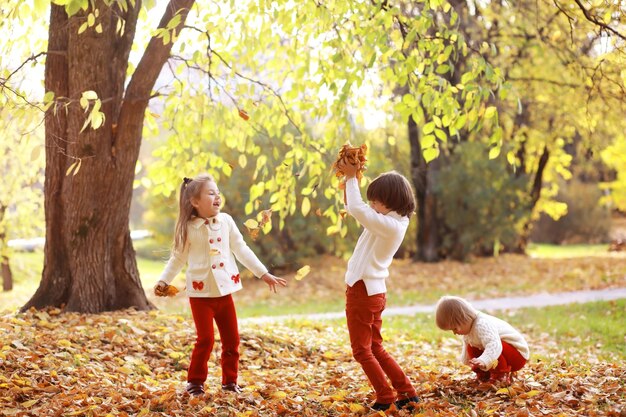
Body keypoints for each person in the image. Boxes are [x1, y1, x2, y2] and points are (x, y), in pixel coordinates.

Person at [154, 174, 287, 397]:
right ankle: (195, 382)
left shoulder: (226, 221)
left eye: (218, 192)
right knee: (205, 339)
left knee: (232, 340)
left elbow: (241, 249)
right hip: (200, 295)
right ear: (195, 202)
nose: (217, 196)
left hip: (224, 294)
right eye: (211, 193)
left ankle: (230, 382)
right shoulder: (188, 228)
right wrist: (163, 281)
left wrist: (263, 273)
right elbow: (177, 258)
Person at [338, 159, 420, 412]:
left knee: (362, 351)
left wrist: (352, 178)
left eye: (376, 201)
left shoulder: (390, 226)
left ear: (392, 201)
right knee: (375, 347)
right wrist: (352, 175)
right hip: (373, 291)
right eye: (371, 201)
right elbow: (352, 205)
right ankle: (406, 392)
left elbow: (357, 208)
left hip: (363, 291)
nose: (371, 206)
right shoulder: (389, 219)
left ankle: (385, 397)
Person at [435, 295, 530, 384]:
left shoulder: (482, 324)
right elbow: (467, 346)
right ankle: (484, 374)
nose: (454, 333)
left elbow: (494, 345)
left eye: (455, 328)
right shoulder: (468, 328)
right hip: (501, 353)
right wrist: (469, 361)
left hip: (517, 355)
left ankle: (500, 375)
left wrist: (484, 360)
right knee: (472, 346)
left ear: (464, 318)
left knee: (492, 345)